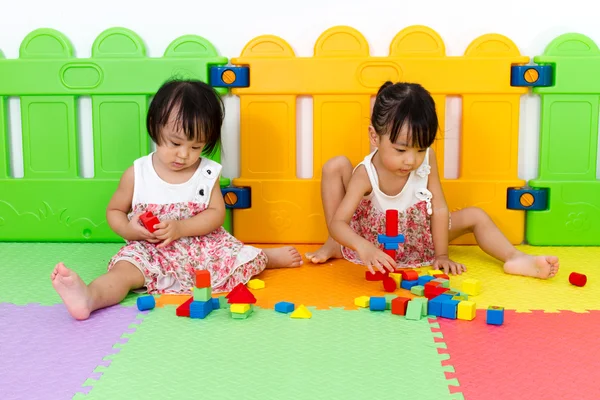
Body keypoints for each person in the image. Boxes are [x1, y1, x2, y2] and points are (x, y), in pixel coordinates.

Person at [51, 79, 302, 320]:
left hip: (201, 249)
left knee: (238, 255)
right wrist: (131, 229)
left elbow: (216, 214)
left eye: (196, 147)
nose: (184, 155)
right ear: (155, 127)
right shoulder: (138, 173)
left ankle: (267, 257)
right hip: (150, 250)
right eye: (175, 143)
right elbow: (115, 211)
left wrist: (181, 227)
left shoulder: (205, 173)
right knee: (123, 272)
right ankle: (89, 297)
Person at [306, 81, 559, 279]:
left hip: (419, 237)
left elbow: (438, 206)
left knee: (477, 216)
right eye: (401, 150)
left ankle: (515, 257)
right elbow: (338, 223)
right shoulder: (366, 173)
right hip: (376, 243)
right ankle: (335, 246)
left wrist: (442, 254)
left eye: (420, 149)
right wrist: (364, 247)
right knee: (335, 165)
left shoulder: (428, 159)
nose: (411, 161)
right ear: (375, 137)